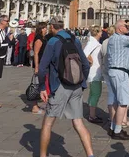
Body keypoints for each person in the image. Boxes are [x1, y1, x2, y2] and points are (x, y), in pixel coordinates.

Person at [38, 17, 94, 157]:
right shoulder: (75, 40)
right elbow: (86, 64)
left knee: (48, 123)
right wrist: (82, 82)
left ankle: (43, 155)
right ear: (63, 25)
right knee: (78, 123)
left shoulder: (53, 41)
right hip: (76, 85)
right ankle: (90, 155)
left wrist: (42, 88)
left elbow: (42, 68)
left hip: (59, 86)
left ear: (52, 27)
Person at [106, 19, 129, 140]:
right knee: (123, 102)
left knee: (116, 101)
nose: (128, 29)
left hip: (115, 71)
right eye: (126, 27)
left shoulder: (114, 38)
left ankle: (113, 126)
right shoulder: (120, 38)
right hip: (120, 72)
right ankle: (118, 130)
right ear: (120, 28)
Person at [83, 25, 103, 123]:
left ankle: (92, 113)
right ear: (98, 33)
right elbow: (84, 53)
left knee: (93, 93)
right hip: (94, 71)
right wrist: (90, 61)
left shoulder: (93, 42)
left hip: (95, 71)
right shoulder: (93, 43)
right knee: (96, 93)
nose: (102, 33)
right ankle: (92, 115)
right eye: (100, 32)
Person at [31, 21, 49, 114]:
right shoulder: (38, 39)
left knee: (42, 84)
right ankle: (34, 106)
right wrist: (36, 66)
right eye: (45, 27)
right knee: (37, 85)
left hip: (43, 64)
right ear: (41, 29)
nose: (46, 29)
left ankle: (39, 103)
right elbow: (36, 53)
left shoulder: (43, 38)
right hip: (40, 65)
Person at [101, 25, 116, 126]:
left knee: (111, 92)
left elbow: (102, 54)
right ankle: (114, 118)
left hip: (105, 68)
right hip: (114, 69)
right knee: (115, 94)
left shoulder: (104, 41)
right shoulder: (115, 41)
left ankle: (112, 116)